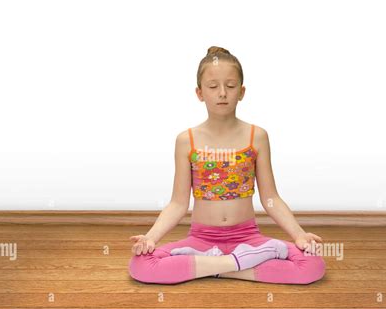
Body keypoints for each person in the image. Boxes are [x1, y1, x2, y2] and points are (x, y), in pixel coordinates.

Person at [128, 46, 325, 284]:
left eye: (230, 86)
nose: (222, 93)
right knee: (141, 265)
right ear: (199, 93)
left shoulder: (257, 136)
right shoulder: (186, 141)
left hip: (248, 238)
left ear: (241, 92)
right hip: (201, 240)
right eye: (213, 86)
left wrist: (299, 235)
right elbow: (178, 203)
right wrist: (150, 238)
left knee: (313, 264)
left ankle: (211, 266)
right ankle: (239, 263)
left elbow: (271, 198)